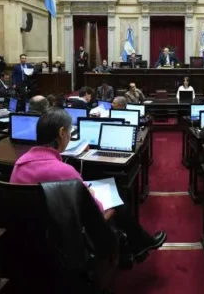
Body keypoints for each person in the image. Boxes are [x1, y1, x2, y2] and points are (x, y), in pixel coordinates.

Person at [10, 109, 167, 262]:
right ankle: (137, 245)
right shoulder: (65, 171)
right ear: (61, 133)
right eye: (69, 132)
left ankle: (139, 245)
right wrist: (90, 192)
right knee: (118, 199)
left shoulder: (19, 165)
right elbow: (96, 210)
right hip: (67, 237)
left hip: (29, 239)